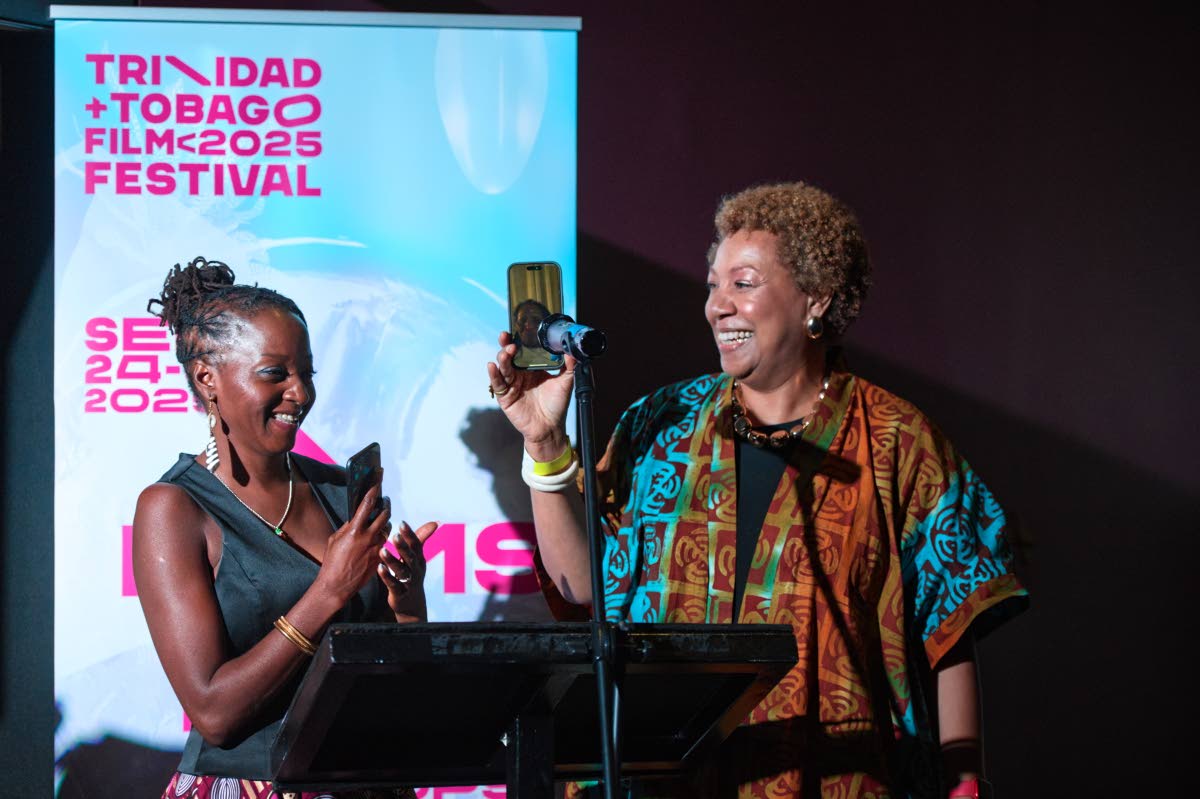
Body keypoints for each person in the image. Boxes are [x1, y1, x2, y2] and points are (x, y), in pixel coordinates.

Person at [487, 182, 1028, 799]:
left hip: (835, 776)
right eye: (713, 284)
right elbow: (582, 586)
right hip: (665, 779)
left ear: (815, 299)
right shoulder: (661, 423)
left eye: (742, 284)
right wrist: (544, 444)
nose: (717, 305)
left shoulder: (898, 443)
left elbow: (951, 628)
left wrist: (965, 784)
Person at [135, 257, 437, 799]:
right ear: (208, 379)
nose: (301, 393)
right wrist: (330, 590)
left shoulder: (340, 489)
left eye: (307, 373)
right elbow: (214, 712)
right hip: (256, 786)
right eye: (275, 374)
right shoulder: (174, 509)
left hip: (367, 781)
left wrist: (407, 600)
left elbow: (396, 680)